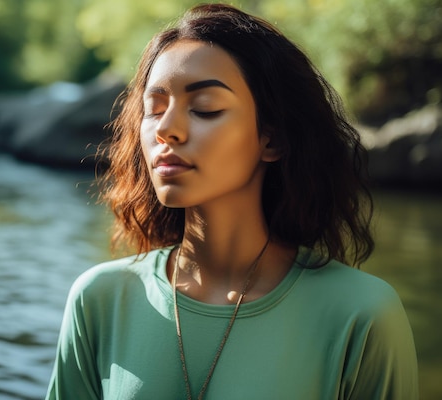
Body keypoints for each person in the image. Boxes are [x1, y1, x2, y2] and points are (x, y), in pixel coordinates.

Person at [45, 3, 418, 399]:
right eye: (154, 110)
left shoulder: (361, 315)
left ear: (271, 140)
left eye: (205, 109)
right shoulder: (100, 300)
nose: (166, 129)